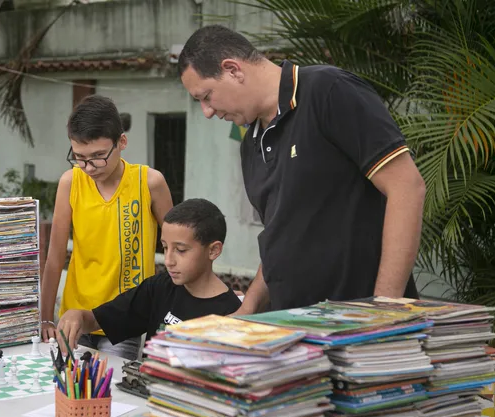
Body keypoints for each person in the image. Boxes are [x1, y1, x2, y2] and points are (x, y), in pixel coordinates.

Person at [178, 25, 426, 314]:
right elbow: (280, 239)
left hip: (360, 329)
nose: (207, 112)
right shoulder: (250, 144)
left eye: (206, 96)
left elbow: (406, 187)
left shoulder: (328, 90)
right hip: (295, 332)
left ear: (233, 69)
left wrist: (385, 307)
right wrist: (248, 310)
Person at [40, 94, 173, 360]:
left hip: (125, 317)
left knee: (112, 390)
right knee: (71, 388)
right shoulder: (70, 183)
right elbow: (55, 258)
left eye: (99, 156)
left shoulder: (149, 183)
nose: (89, 167)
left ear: (121, 142)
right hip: (74, 315)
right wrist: (44, 319)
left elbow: (178, 246)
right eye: (79, 157)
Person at [55, 198, 242, 355]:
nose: (169, 260)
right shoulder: (159, 287)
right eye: (165, 247)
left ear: (213, 251)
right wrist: (78, 316)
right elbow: (100, 319)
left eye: (181, 250)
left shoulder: (233, 312)